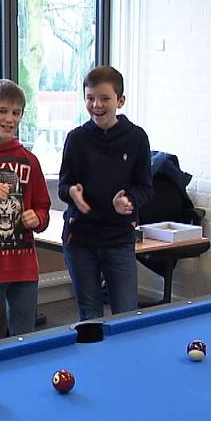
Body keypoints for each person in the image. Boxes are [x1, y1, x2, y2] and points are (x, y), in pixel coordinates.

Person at [57, 66, 153, 321]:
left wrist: (128, 201)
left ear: (120, 101)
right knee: (90, 316)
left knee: (125, 314)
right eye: (90, 98)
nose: (96, 105)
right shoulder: (76, 139)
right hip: (80, 240)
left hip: (118, 239)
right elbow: (64, 185)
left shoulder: (136, 138)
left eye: (104, 98)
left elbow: (145, 187)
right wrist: (73, 193)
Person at [0, 79, 51, 344]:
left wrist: (36, 218)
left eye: (16, 113)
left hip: (23, 265)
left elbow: (43, 207)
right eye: (2, 111)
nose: (9, 118)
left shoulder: (29, 159)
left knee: (24, 338)